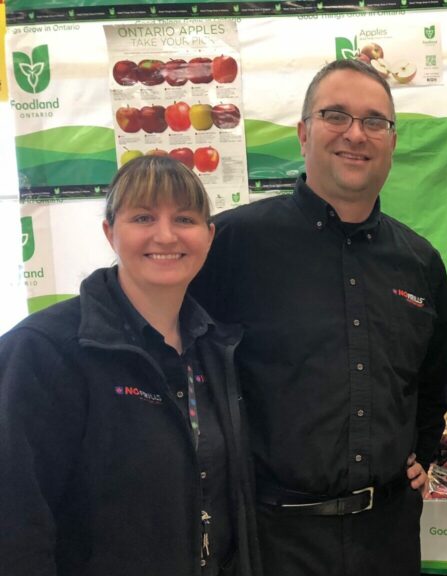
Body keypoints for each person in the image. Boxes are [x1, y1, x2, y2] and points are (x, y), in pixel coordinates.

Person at [189, 58, 447, 575]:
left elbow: (428, 388)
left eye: (375, 121)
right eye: (337, 115)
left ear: (392, 142)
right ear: (303, 133)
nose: (356, 134)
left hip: (389, 539)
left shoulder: (420, 262)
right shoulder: (231, 246)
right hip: (270, 541)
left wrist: (419, 456)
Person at [0, 156, 261, 576]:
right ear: (110, 232)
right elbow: (15, 523)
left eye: (184, 219)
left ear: (209, 236)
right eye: (143, 217)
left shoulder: (215, 348)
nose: (165, 235)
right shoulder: (44, 351)